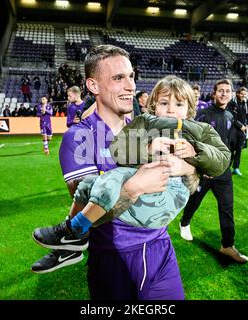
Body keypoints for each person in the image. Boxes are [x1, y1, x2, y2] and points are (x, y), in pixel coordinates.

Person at [30, 45, 195, 300]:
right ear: (94, 86)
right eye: (118, 78)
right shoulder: (80, 137)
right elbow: (91, 213)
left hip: (161, 248)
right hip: (114, 256)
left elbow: (197, 166)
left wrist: (187, 165)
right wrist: (135, 186)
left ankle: (66, 244)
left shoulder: (145, 128)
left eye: (131, 76)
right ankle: (69, 241)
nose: (130, 85)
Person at [32, 75, 230, 260]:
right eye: (164, 103)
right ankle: (73, 242)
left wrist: (195, 151)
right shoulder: (144, 122)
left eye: (179, 104)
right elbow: (118, 150)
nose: (171, 110)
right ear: (153, 106)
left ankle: (74, 230)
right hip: (140, 181)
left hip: (170, 193)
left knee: (110, 180)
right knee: (87, 185)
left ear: (189, 109)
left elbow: (222, 159)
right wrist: (147, 149)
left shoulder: (201, 130)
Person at [179, 79, 248, 264]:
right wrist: (200, 165)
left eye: (227, 91)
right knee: (194, 200)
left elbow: (230, 142)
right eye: (220, 91)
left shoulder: (230, 115)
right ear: (214, 93)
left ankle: (227, 245)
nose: (224, 94)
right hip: (205, 170)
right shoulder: (203, 114)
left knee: (227, 208)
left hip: (223, 171)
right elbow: (191, 140)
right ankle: (184, 223)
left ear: (231, 94)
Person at [227, 87, 248, 176]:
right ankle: (227, 167)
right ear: (237, 94)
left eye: (245, 94)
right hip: (233, 129)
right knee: (231, 149)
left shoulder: (247, 102)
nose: (243, 96)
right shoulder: (231, 103)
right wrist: (240, 126)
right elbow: (231, 117)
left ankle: (236, 168)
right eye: (241, 94)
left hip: (243, 129)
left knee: (239, 149)